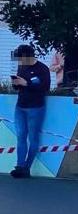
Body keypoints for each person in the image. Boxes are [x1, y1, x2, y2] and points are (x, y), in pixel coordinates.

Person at [10, 45, 51, 179]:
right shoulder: (22, 67)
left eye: (21, 58)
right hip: (20, 106)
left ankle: (27, 167)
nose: (19, 61)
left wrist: (26, 83)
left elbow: (45, 87)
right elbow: (19, 86)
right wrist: (16, 83)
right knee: (21, 135)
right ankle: (19, 166)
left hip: (36, 107)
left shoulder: (42, 69)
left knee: (33, 137)